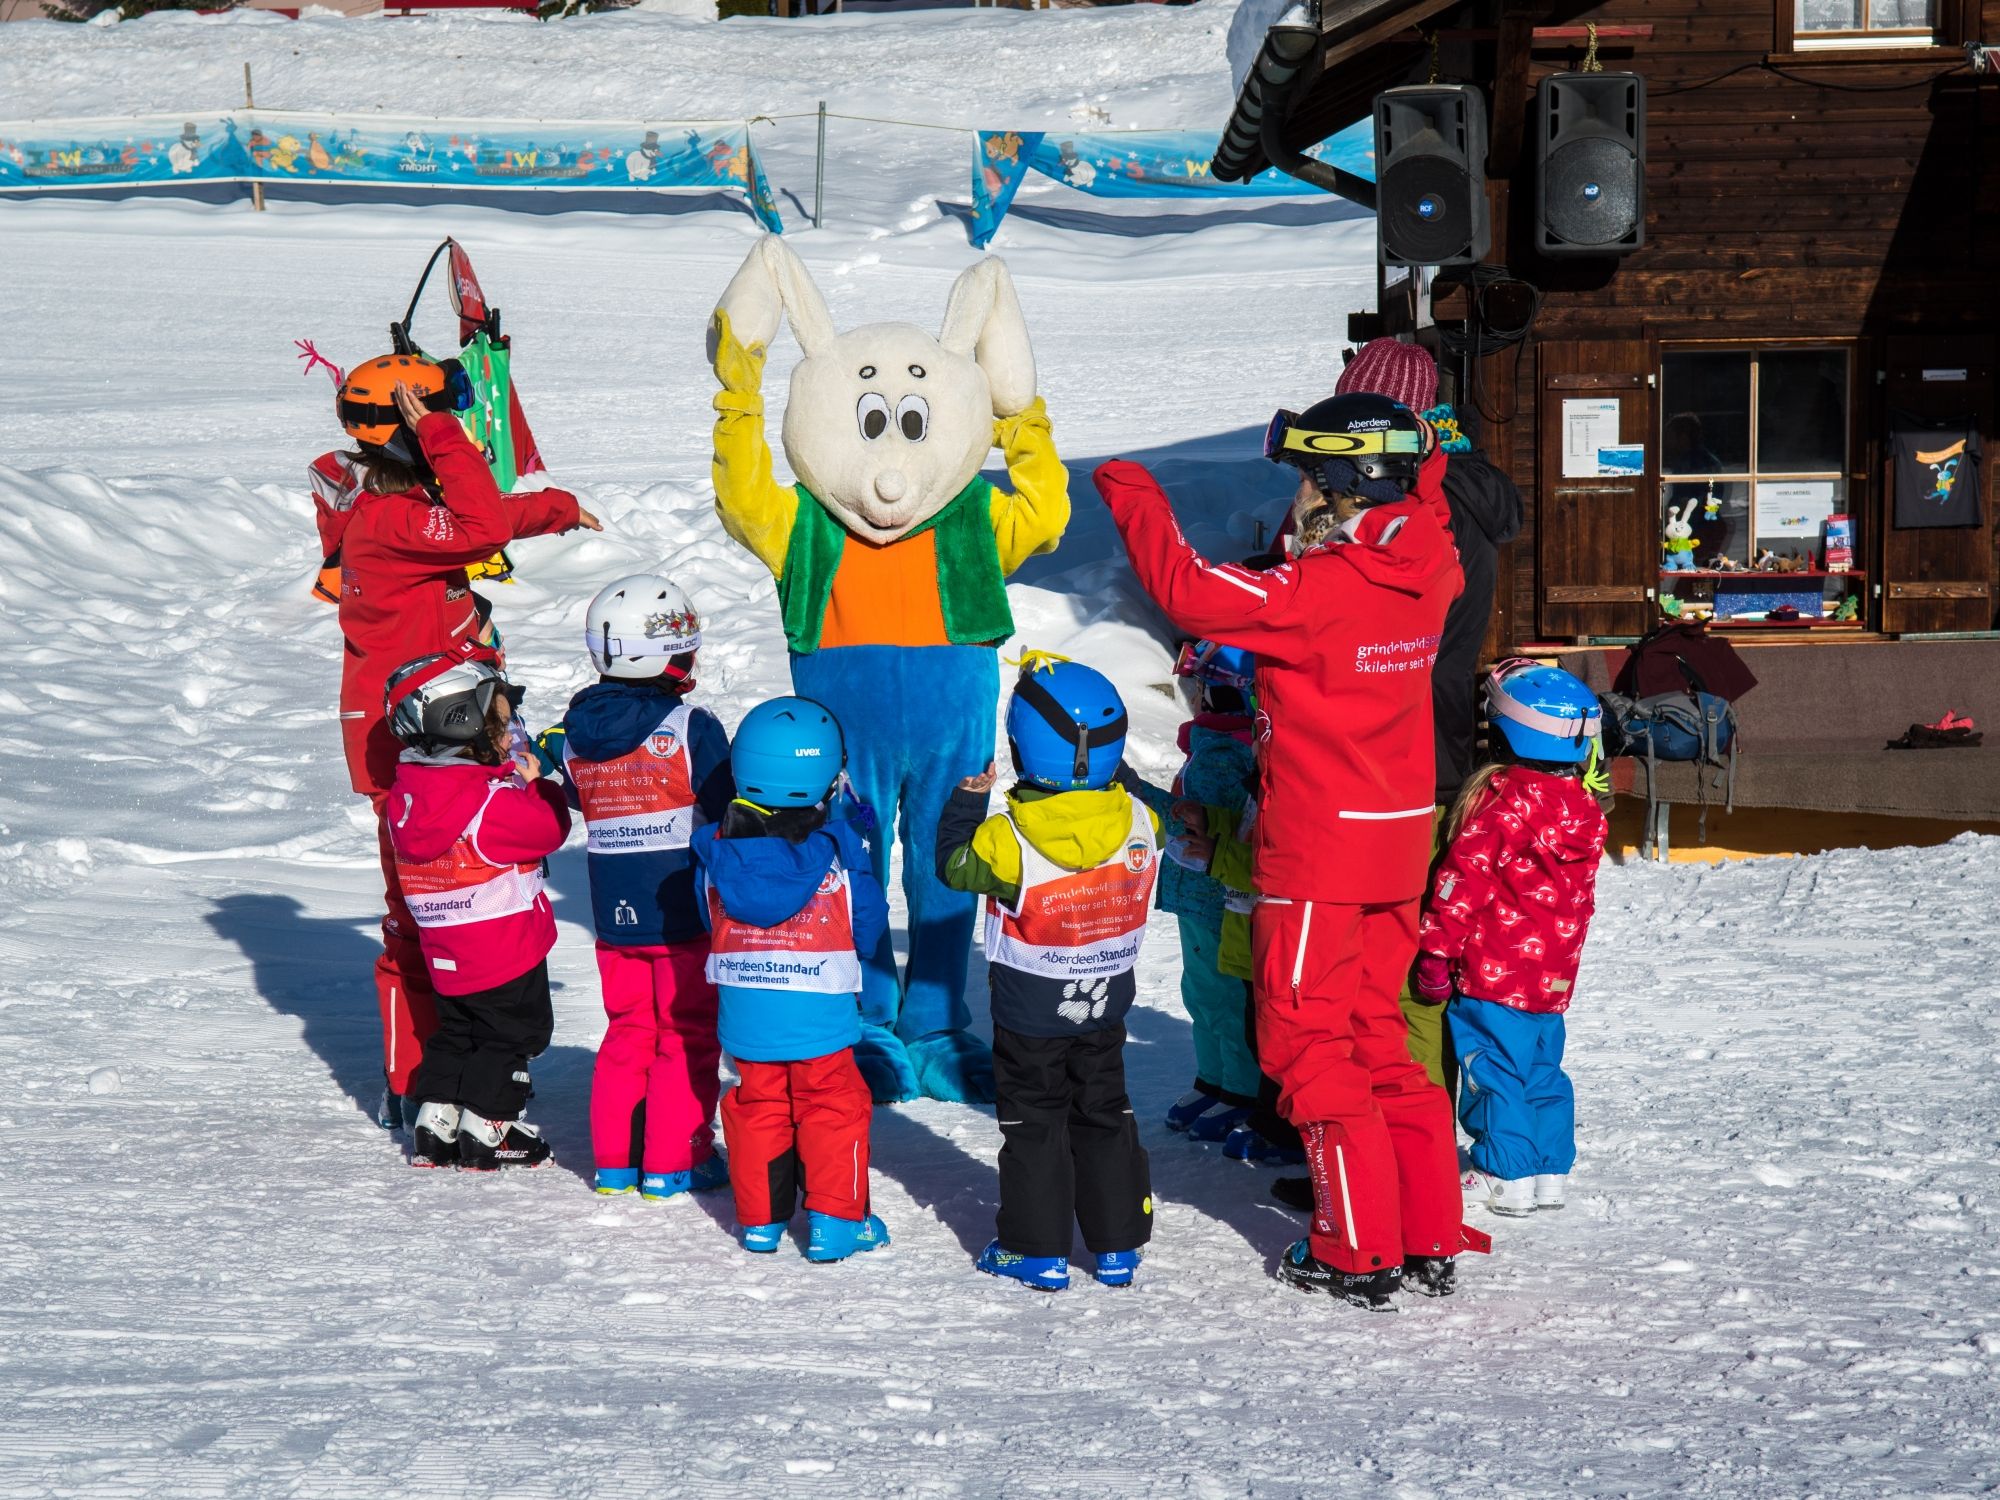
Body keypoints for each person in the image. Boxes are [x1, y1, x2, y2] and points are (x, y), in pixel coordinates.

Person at [1094, 392, 1469, 1310]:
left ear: (1348, 480)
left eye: (1310, 476)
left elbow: (1187, 590)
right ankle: (1428, 1233)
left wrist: (1127, 485)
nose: (1299, 495)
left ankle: (1357, 1250)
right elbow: (1431, 495)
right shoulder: (1431, 562)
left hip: (1317, 854)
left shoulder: (1321, 593)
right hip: (1393, 842)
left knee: (1308, 1047)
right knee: (1381, 1039)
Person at [314, 356, 599, 1133]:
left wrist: (554, 509)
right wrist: (436, 428)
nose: (463, 435)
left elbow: (478, 516)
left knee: (461, 909)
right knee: (423, 919)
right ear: (410, 432)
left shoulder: (393, 509)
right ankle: (423, 1082)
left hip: (449, 738)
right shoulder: (387, 521)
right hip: (420, 751)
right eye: (448, 424)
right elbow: (475, 525)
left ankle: (464, 1068)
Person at [1332, 337, 1522, 1096]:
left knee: (1400, 957)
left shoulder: (1427, 503)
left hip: (1399, 749)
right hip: (1431, 745)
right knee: (1409, 951)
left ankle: (1405, 1132)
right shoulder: (1453, 489)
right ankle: (1404, 1127)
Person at [936, 656, 1159, 1292]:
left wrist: (966, 804)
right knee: (1105, 1110)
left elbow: (954, 865)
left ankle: (1036, 1250)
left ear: (1020, 746)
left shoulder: (1007, 839)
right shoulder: (1145, 823)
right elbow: (1126, 802)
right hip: (1106, 1000)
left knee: (1034, 1121)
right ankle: (1117, 1246)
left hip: (1031, 1010)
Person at [540, 575, 735, 1202]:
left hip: (614, 918)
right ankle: (675, 1160)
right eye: (687, 650)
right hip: (681, 913)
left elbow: (575, 793)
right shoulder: (689, 726)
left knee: (628, 1031)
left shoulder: (575, 731)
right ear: (667, 657)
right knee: (685, 1033)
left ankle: (617, 1162)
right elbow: (726, 804)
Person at [690, 697, 892, 1262]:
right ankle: (834, 1220)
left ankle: (760, 1223)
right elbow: (868, 930)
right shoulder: (838, 857)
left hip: (746, 1017)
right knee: (832, 1106)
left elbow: (707, 918)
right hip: (819, 1016)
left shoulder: (715, 855)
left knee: (759, 1107)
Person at [1414, 662, 1609, 1218]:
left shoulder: (1502, 803)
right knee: (1542, 1070)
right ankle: (1549, 1170)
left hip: (1493, 970)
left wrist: (1435, 950)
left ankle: (1504, 1174)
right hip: (1551, 976)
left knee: (1491, 1070)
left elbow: (1461, 882)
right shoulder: (1585, 809)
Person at [382, 649, 571, 1171]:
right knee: (512, 1035)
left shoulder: (408, 795)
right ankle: (490, 1126)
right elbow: (550, 830)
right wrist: (539, 786)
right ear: (462, 720)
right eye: (503, 724)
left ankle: (435, 1122)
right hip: (504, 947)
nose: (510, 735)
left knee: (459, 1031)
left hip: (447, 949)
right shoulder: (488, 802)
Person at [1147, 641, 1264, 1146]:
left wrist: (1136, 790)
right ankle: (1212, 1078)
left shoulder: (1228, 754)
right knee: (1201, 992)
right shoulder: (1210, 747)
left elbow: (1191, 818)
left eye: (1200, 691)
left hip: (1219, 896)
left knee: (1224, 995)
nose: (1193, 700)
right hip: (1197, 892)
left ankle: (1240, 1088)